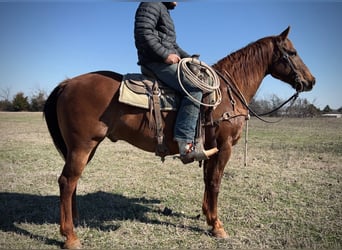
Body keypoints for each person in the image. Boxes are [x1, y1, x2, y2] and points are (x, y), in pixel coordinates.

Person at [134, 2, 216, 163]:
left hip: (161, 60)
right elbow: (143, 33)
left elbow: (173, 45)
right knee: (193, 88)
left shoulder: (163, 10)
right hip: (155, 62)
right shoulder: (151, 4)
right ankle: (185, 144)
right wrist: (165, 55)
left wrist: (191, 60)